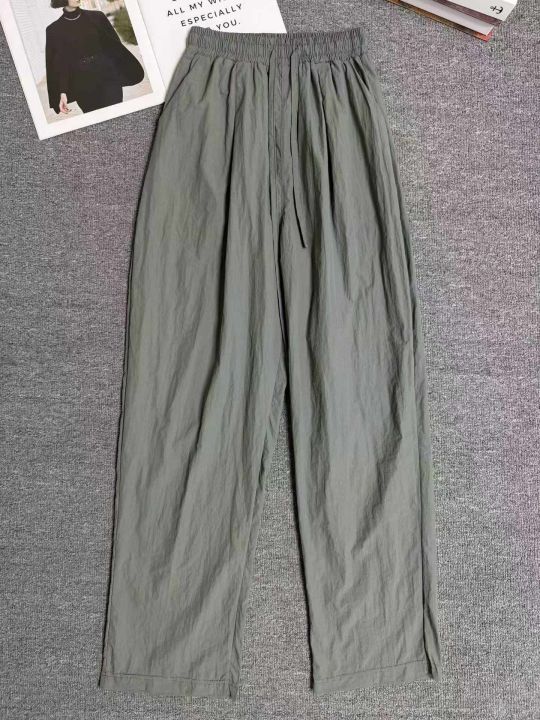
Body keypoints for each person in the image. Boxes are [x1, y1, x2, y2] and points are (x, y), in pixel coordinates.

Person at [45, 0, 144, 115]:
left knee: (116, 114)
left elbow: (115, 47)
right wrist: (62, 93)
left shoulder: (97, 17)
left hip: (108, 79)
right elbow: (60, 65)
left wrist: (120, 71)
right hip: (83, 86)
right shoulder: (54, 30)